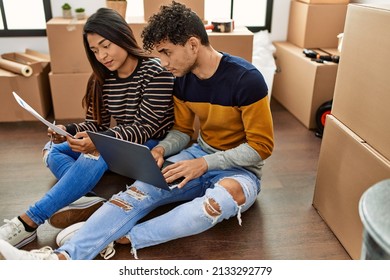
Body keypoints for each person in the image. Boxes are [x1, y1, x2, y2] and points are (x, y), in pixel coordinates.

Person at [0, 1, 274, 260]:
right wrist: (161, 149)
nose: (164, 63)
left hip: (241, 170)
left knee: (215, 205)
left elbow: (261, 147)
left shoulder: (246, 79)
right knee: (137, 193)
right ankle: (61, 258)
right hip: (196, 156)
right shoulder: (182, 80)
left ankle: (122, 237)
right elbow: (181, 131)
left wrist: (205, 163)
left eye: (166, 53)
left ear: (193, 44)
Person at [0, 7, 174, 251]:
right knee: (53, 149)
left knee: (96, 151)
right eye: (95, 50)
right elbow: (97, 124)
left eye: (106, 45)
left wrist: (98, 140)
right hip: (119, 142)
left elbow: (146, 127)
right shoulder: (102, 77)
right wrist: (67, 129)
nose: (102, 55)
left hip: (151, 146)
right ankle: (88, 200)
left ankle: (29, 221)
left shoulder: (156, 72)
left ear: (122, 36)